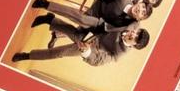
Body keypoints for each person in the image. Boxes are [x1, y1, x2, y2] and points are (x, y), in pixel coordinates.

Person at [13, 22, 149, 67]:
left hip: (90, 47)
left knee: (60, 53)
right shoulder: (132, 25)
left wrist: (87, 51)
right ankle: (50, 20)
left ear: (133, 45)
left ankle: (27, 56)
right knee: (71, 30)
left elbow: (99, 61)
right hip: (94, 29)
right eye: (137, 32)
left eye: (136, 38)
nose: (134, 34)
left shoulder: (120, 53)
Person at [31, 0, 152, 30]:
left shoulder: (127, 23)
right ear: (140, 2)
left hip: (99, 25)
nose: (139, 10)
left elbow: (134, 27)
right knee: (82, 19)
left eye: (142, 13)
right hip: (96, 9)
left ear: (139, 18)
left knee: (78, 35)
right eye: (142, 7)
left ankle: (50, 20)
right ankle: (46, 4)